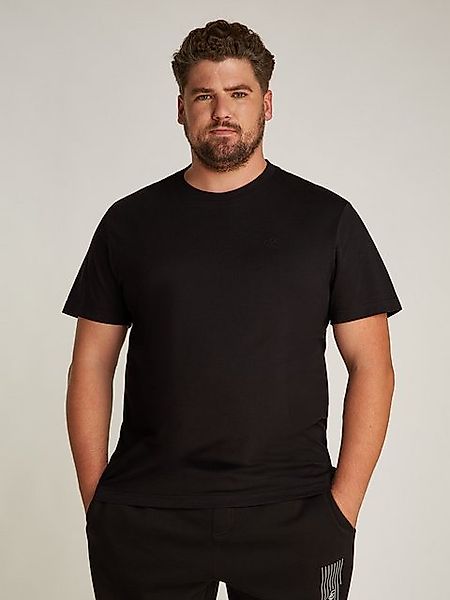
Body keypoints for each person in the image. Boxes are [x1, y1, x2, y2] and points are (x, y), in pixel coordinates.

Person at [62, 18, 402, 600]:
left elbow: (372, 365)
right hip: (147, 515)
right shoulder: (129, 223)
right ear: (181, 108)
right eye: (204, 95)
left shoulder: (327, 220)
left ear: (267, 104)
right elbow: (91, 364)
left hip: (294, 515)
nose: (222, 111)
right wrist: (99, 503)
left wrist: (342, 508)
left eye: (238, 93)